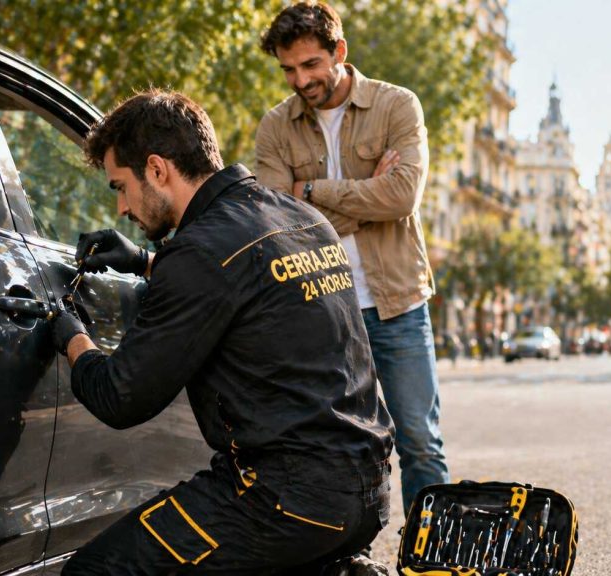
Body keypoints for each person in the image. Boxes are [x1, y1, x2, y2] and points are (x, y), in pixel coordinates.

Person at [50, 89, 393, 575]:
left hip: (281, 500)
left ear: (157, 169)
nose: (123, 207)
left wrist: (70, 334)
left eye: (119, 187)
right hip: (367, 488)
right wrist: (148, 263)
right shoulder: (302, 219)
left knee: (97, 571)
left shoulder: (199, 252)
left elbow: (120, 397)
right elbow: (249, 286)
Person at [255, 0, 449, 513]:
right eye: (289, 70)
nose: (300, 80)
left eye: (310, 64)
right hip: (320, 310)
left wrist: (311, 190)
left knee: (420, 444)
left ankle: (430, 560)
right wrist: (368, 194)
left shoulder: (397, 105)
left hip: (398, 303)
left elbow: (403, 197)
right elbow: (278, 224)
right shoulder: (275, 127)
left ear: (339, 50)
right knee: (334, 449)